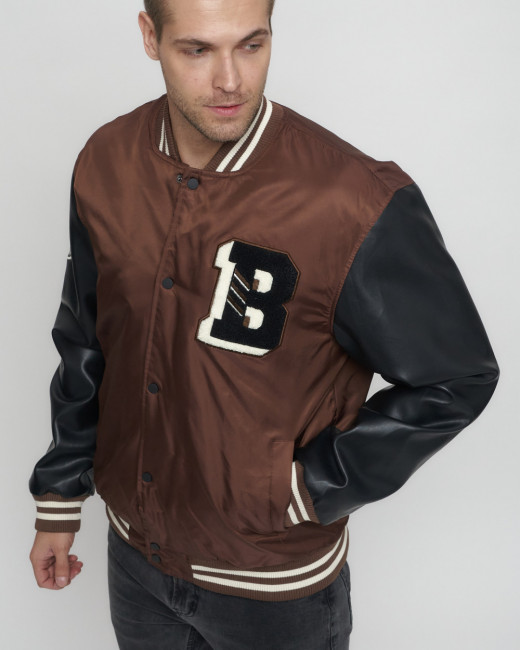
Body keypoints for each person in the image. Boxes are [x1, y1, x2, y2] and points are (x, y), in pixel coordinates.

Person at [28, 1, 499, 648]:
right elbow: (86, 335)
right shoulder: (106, 161)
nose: (230, 80)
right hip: (134, 558)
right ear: (150, 36)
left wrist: (307, 490)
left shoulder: (352, 200)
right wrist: (59, 495)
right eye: (197, 50)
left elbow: (457, 376)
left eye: (251, 45)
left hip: (274, 590)